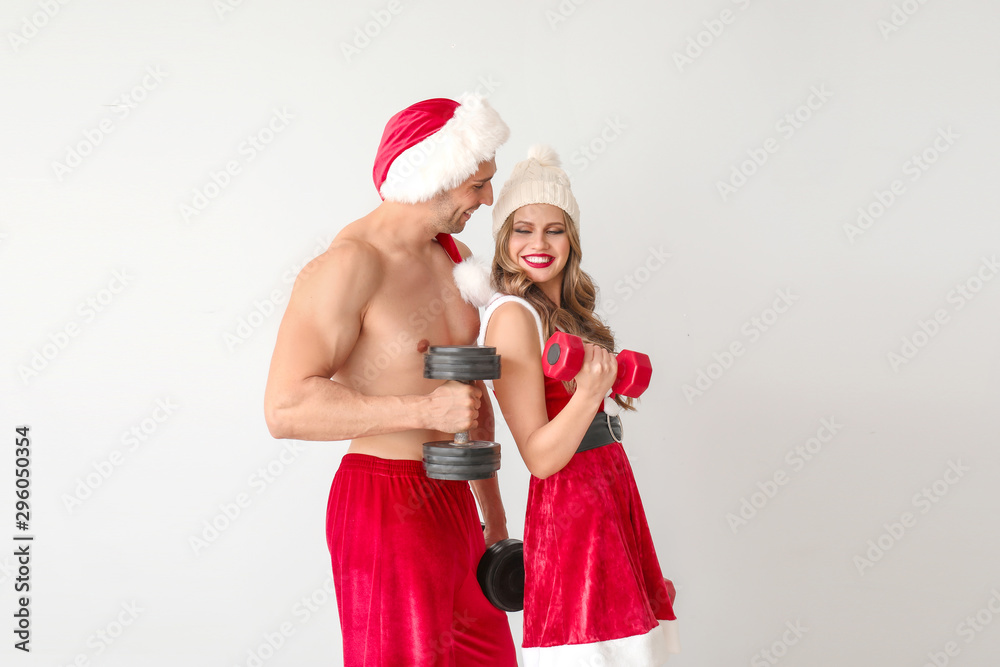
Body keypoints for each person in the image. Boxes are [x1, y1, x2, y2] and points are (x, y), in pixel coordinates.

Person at [263, 94, 518, 667]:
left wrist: (495, 517)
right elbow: (285, 407)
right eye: (477, 185)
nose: (488, 199)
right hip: (385, 501)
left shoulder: (455, 258)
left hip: (458, 501)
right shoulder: (351, 264)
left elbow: (470, 400)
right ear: (437, 176)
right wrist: (423, 412)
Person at [478, 145, 681, 665]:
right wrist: (590, 392)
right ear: (503, 239)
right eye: (523, 229)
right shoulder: (512, 317)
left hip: (608, 499)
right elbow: (540, 458)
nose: (539, 244)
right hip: (569, 517)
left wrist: (636, 562)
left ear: (572, 238)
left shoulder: (565, 312)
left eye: (554, 230)